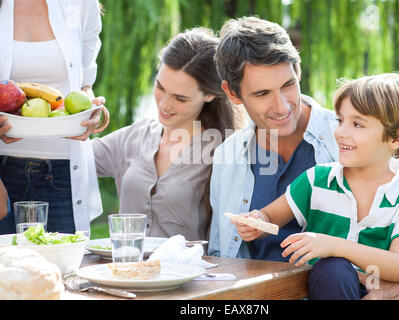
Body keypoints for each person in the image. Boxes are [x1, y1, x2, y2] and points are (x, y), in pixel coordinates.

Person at [208, 16, 399, 299]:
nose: (282, 105)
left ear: (297, 71)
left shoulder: (355, 139)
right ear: (232, 94)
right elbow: (220, 250)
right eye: (262, 93)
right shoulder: (228, 156)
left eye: (288, 84)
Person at [92, 28, 236, 241]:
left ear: (209, 95)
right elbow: (69, 159)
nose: (165, 104)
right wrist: (77, 119)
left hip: (188, 272)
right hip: (125, 269)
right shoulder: (135, 136)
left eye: (180, 98)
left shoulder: (223, 151)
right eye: (160, 87)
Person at [0, 0, 107, 234]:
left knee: (64, 266)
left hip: (62, 173)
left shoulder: (82, 4)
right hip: (3, 174)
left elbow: (84, 84)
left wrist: (91, 111)